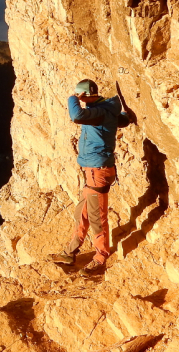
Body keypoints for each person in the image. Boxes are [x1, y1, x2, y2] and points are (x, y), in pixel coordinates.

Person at [49, 79, 128, 277]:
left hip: (98, 171)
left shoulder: (98, 112)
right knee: (81, 212)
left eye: (80, 94)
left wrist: (72, 98)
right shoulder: (102, 110)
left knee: (96, 217)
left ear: (85, 94)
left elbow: (76, 116)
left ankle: (101, 258)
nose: (79, 98)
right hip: (92, 170)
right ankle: (70, 252)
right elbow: (121, 121)